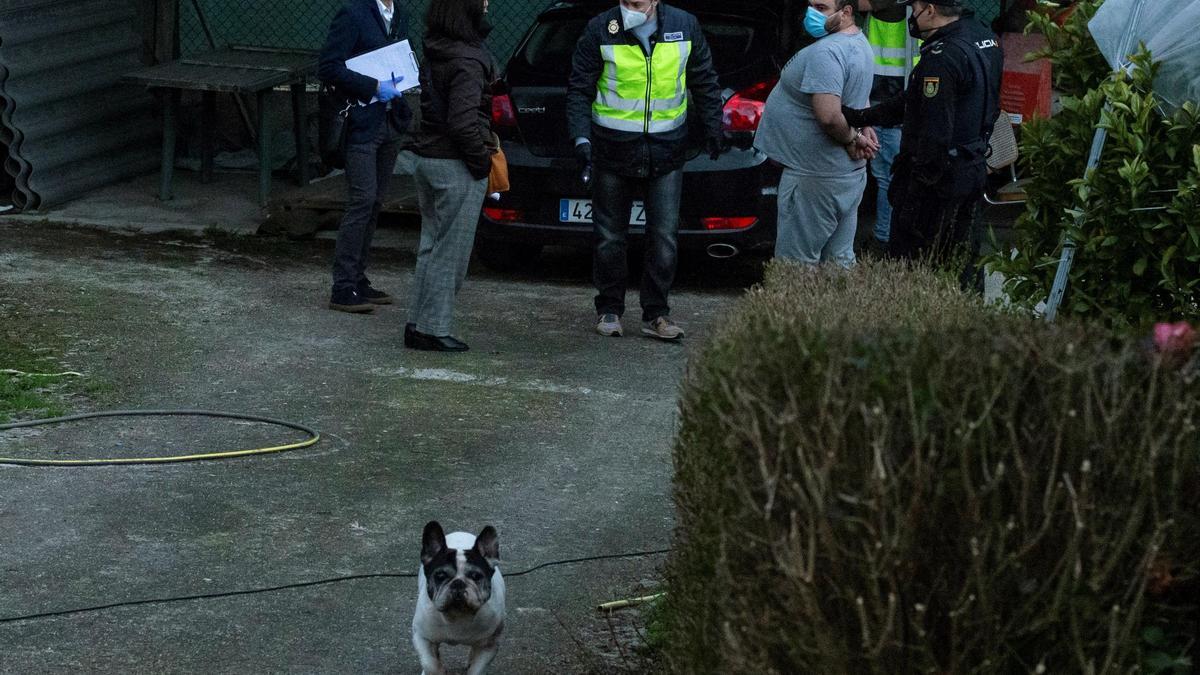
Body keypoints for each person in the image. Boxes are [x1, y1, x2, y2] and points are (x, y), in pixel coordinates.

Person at [566, 0, 725, 341]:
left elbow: (704, 79)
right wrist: (581, 139)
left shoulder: (684, 25)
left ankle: (656, 314)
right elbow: (579, 88)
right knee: (609, 238)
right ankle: (609, 309)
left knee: (664, 238)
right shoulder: (600, 28)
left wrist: (714, 125)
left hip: (666, 150)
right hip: (612, 149)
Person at [842, 0, 1003, 270]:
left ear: (930, 10)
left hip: (940, 179)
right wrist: (861, 117)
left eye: (914, 9)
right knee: (961, 258)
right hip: (972, 164)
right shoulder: (983, 36)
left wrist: (917, 188)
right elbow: (912, 101)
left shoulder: (942, 58)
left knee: (916, 259)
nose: (911, 17)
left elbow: (935, 131)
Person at [403, 0, 497, 352]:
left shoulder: (436, 49)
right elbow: (463, 122)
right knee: (451, 253)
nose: (487, 5)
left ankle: (418, 324)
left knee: (430, 247)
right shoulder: (469, 60)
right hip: (455, 164)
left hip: (427, 160)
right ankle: (433, 328)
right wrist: (482, 164)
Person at [754, 0, 878, 268]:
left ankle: (797, 312)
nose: (811, 14)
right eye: (810, 5)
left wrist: (852, 138)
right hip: (842, 174)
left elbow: (830, 117)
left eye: (821, 8)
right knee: (838, 260)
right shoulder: (859, 42)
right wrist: (864, 126)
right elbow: (858, 97)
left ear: (845, 12)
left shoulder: (828, 52)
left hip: (814, 176)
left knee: (795, 266)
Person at [318, 0, 412, 314]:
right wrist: (373, 86)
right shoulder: (353, 13)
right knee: (362, 200)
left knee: (374, 202)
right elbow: (329, 67)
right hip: (361, 123)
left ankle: (358, 279)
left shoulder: (398, 12)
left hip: (389, 122)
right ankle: (342, 287)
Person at [858, 0, 919, 253]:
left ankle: (884, 239)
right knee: (893, 177)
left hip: (886, 99)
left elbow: (855, 4)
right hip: (902, 97)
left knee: (887, 178)